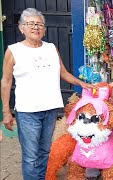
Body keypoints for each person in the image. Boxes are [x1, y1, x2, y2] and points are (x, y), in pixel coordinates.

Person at [0, 8, 91, 180]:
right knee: (31, 156)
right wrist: (6, 111)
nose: (36, 27)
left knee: (44, 152)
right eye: (31, 24)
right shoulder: (13, 51)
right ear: (21, 28)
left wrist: (81, 83)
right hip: (28, 111)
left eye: (39, 24)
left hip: (50, 108)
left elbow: (63, 73)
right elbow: (6, 81)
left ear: (44, 29)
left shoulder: (51, 48)